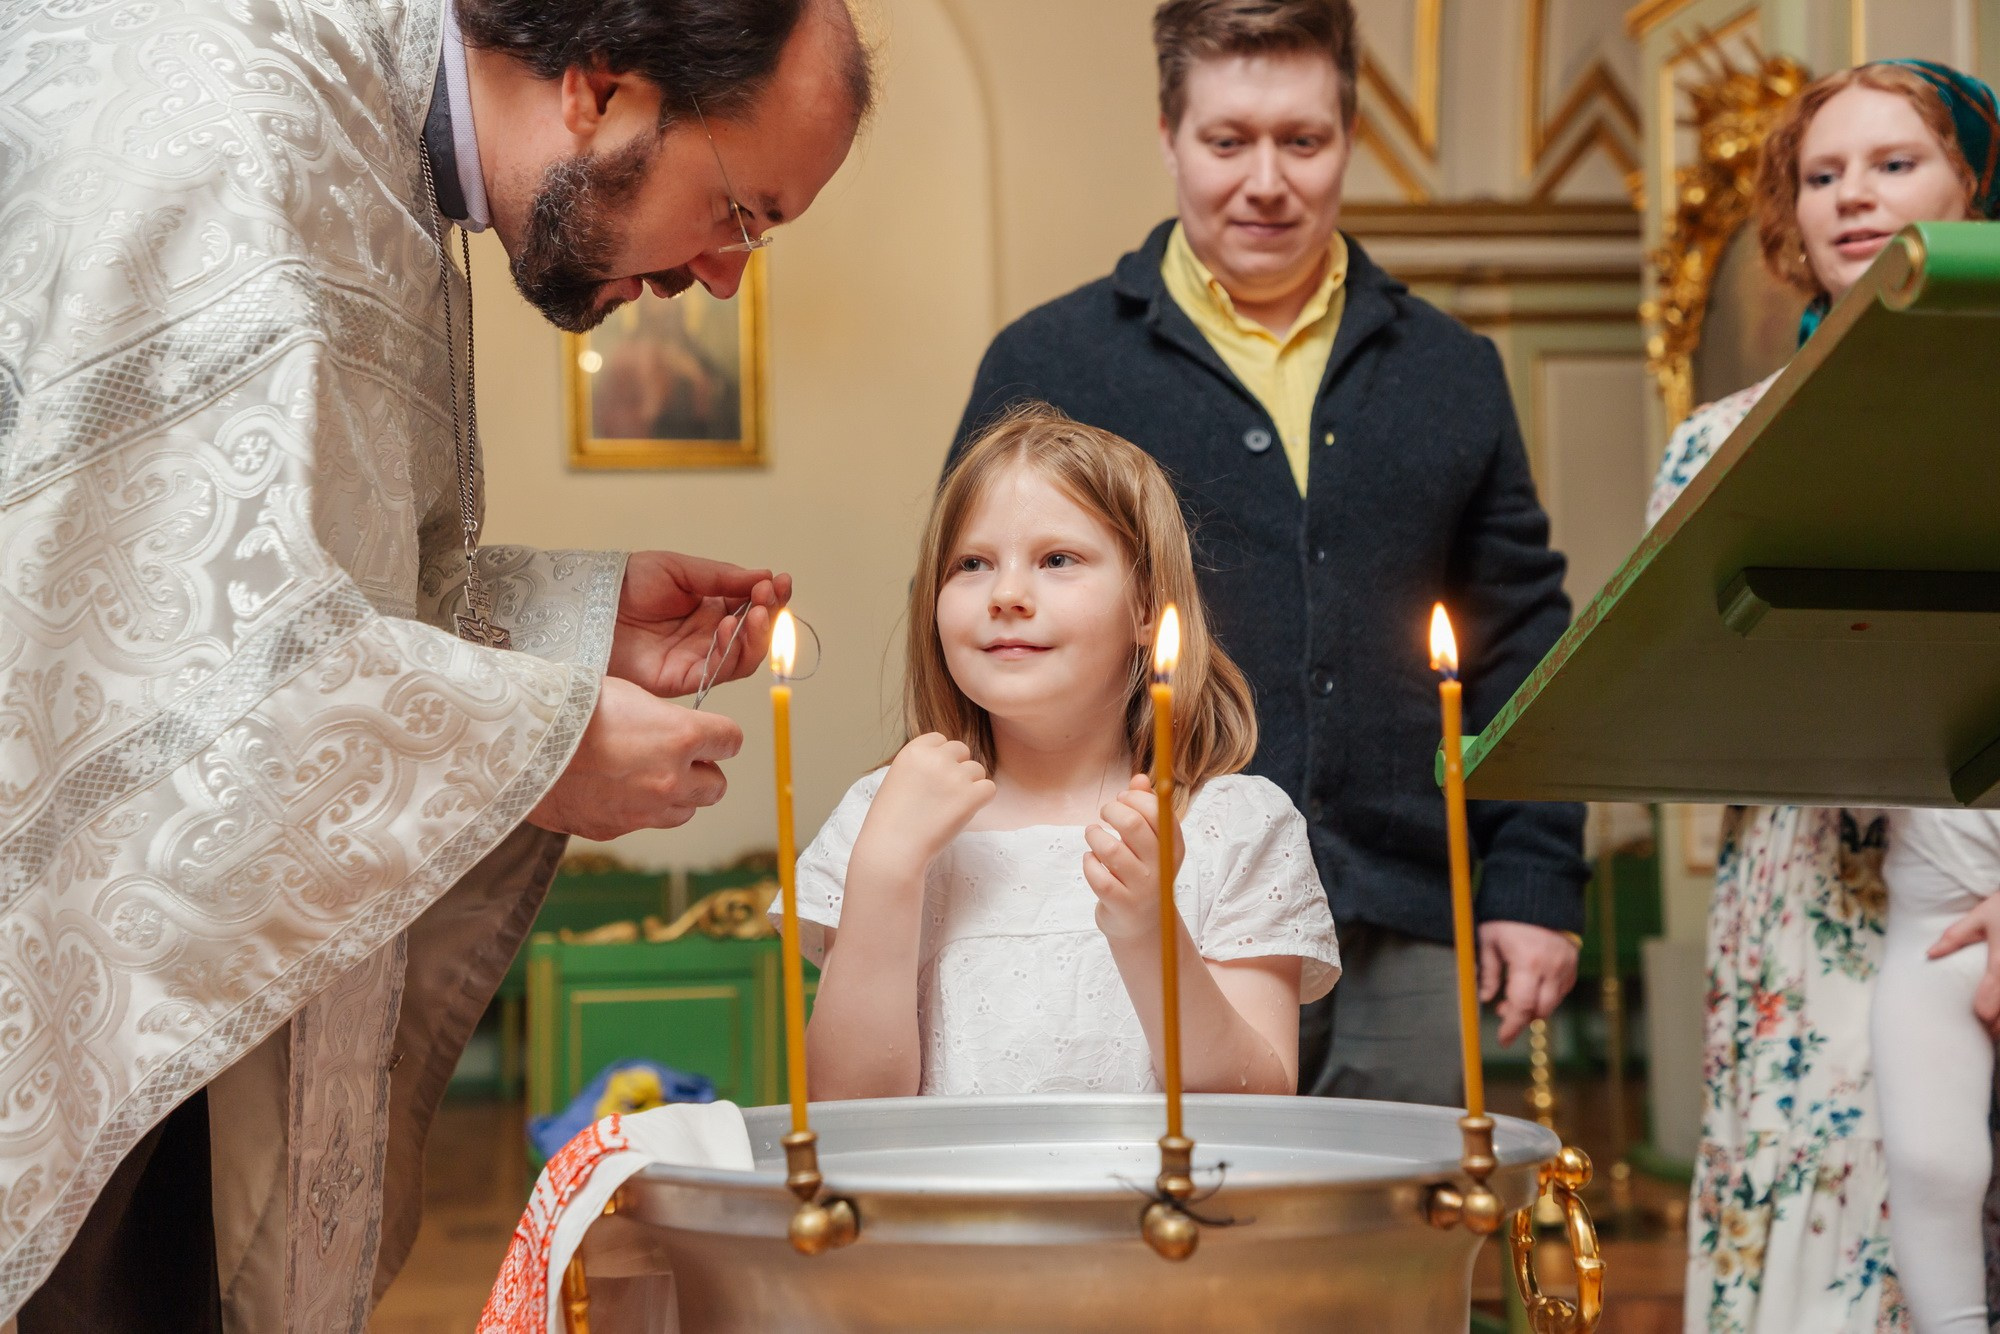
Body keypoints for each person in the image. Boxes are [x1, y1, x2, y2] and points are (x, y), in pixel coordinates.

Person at [0, 0, 871, 1328]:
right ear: (600, 87)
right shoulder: (241, 132)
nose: (724, 278)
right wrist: (549, 739)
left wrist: (578, 627)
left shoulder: (360, 126)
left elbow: (256, 589)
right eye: (742, 212)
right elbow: (125, 686)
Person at [949, 0, 1585, 1107]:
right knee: (1176, 1252)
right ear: (1167, 135)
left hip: (1408, 911)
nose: (1264, 181)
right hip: (1145, 901)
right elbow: (977, 618)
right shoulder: (1049, 362)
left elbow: (1520, 637)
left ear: (1349, 135)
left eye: (1302, 140)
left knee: (1409, 1258)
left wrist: (1533, 877)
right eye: (1226, 141)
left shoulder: (1450, 370)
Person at [1649, 58, 2000, 1334]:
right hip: (1800, 914)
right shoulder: (1712, 441)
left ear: (1974, 186)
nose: (1851, 197)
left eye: (1893, 163)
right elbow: (1674, 690)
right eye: (1820, 174)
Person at [792, 408, 1340, 1098]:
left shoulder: (1237, 828)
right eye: (972, 563)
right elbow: (844, 1110)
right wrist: (885, 875)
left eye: (1058, 560)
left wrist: (1149, 929)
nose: (1009, 595)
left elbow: (1255, 1103)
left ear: (1147, 606)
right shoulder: (879, 818)